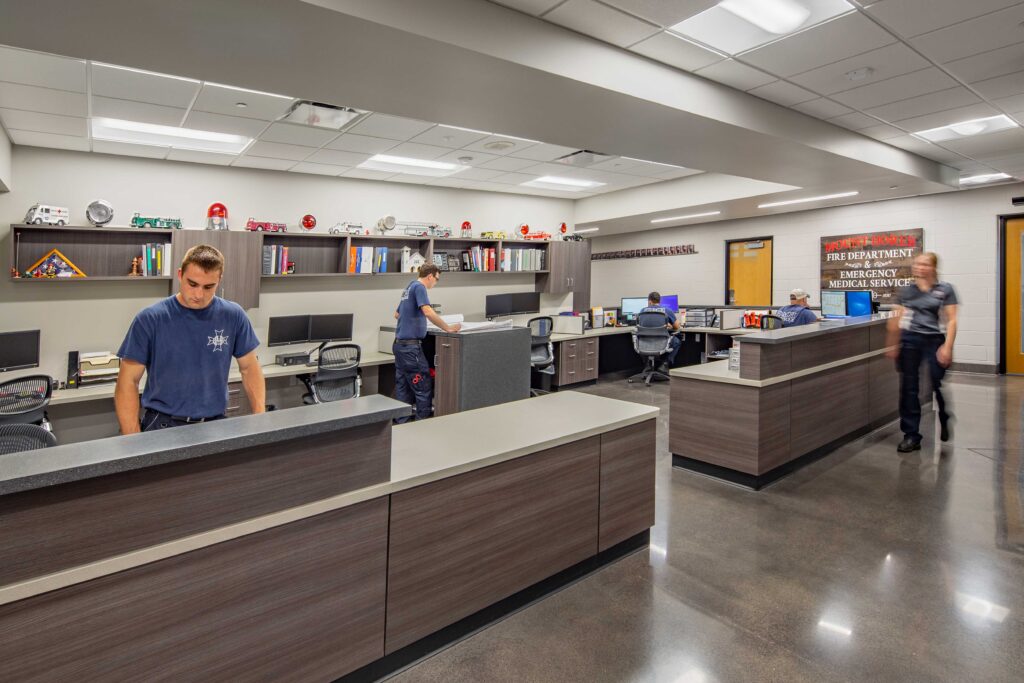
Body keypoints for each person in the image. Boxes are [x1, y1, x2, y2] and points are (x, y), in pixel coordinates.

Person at [115, 244, 266, 433]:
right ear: (180, 275)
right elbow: (128, 381)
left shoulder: (233, 315)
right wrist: (132, 438)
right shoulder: (150, 319)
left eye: (208, 287)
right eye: (192, 284)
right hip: (163, 425)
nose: (198, 294)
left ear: (219, 281)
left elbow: (250, 367)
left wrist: (260, 417)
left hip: (215, 424)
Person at [886, 252, 958, 452]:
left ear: (933, 267)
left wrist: (947, 346)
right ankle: (911, 435)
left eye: (924, 264)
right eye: (917, 264)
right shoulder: (907, 291)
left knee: (937, 382)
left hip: (935, 340)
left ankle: (944, 415)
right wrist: (893, 343)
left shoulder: (945, 290)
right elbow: (895, 318)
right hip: (910, 340)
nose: (919, 267)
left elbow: (951, 319)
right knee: (909, 388)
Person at [393, 264, 461, 422]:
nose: (435, 283)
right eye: (436, 279)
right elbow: (428, 311)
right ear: (430, 276)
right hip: (411, 349)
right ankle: (422, 426)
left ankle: (401, 423)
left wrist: (415, 321)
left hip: (399, 346)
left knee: (403, 386)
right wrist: (448, 328)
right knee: (422, 386)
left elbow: (397, 314)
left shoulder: (408, 288)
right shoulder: (420, 287)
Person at [640, 291, 681, 373]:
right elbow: (677, 327)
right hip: (661, 342)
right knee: (676, 341)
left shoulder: (642, 311)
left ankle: (648, 364)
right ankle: (665, 364)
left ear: (649, 301)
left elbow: (641, 325)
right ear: (660, 301)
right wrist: (668, 325)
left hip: (645, 342)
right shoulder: (667, 310)